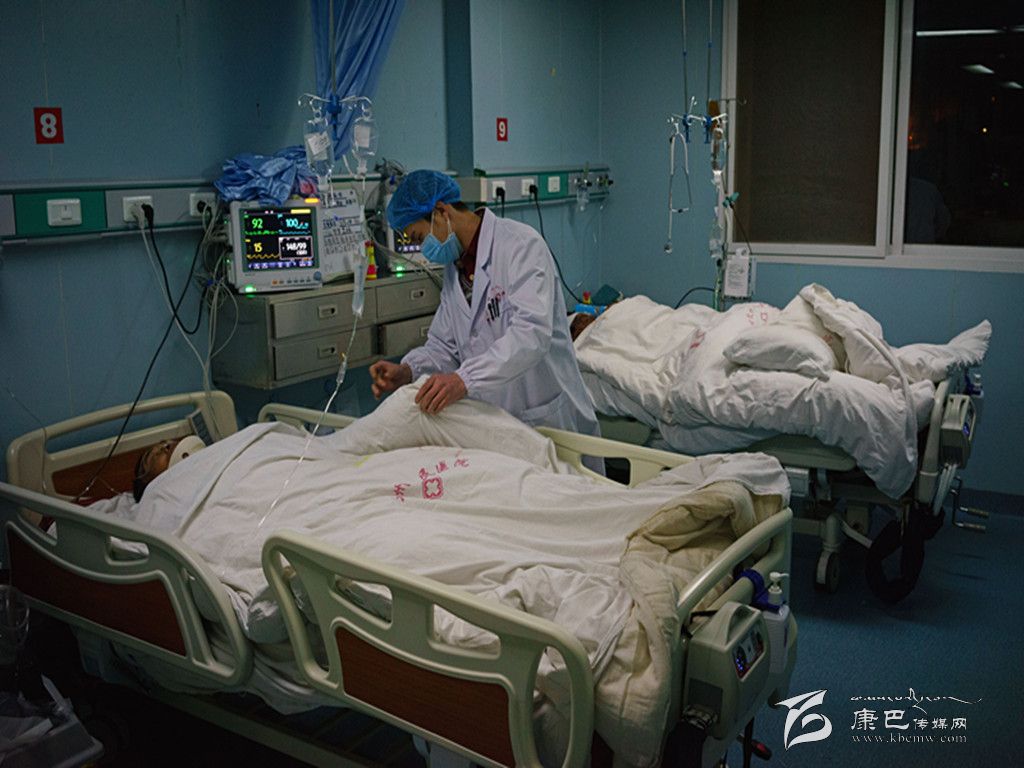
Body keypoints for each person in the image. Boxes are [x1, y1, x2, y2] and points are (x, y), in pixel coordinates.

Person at [370, 170, 599, 438]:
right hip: (496, 423)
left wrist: (464, 379)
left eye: (420, 238)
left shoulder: (521, 246)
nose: (423, 250)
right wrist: (408, 370)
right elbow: (444, 347)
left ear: (441, 212)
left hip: (546, 417)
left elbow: (531, 334)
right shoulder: (456, 269)